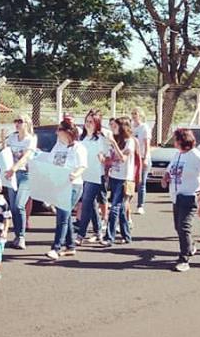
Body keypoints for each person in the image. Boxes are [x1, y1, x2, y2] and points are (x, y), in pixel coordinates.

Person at [162, 128, 200, 272]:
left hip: (189, 195)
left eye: (175, 139)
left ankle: (184, 259)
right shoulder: (178, 154)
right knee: (178, 227)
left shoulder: (196, 155)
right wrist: (166, 177)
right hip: (176, 196)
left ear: (182, 140)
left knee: (184, 227)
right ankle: (190, 247)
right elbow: (170, 169)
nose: (174, 142)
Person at [46, 119, 87, 260]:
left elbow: (82, 166)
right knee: (66, 215)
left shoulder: (78, 148)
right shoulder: (58, 146)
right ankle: (70, 246)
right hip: (59, 184)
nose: (57, 132)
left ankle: (56, 247)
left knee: (62, 216)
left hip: (73, 185)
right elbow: (49, 160)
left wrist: (75, 174)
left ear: (67, 132)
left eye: (59, 130)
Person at [4, 114, 37, 250]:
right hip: (12, 174)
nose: (17, 124)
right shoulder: (12, 137)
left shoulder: (31, 139)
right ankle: (17, 235)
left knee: (19, 205)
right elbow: (6, 153)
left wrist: (14, 168)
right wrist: (2, 138)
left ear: (27, 124)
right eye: (15, 121)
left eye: (20, 121)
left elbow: (26, 157)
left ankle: (22, 236)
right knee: (12, 207)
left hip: (25, 174)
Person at [75, 110, 108, 244]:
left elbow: (105, 156)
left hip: (95, 176)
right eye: (87, 121)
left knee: (87, 204)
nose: (88, 124)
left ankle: (80, 235)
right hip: (83, 175)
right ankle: (98, 231)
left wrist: (102, 158)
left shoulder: (100, 138)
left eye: (91, 122)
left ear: (97, 124)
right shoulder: (82, 138)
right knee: (92, 204)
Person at [101, 117, 134, 246]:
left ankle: (110, 237)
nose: (113, 129)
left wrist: (114, 143)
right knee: (120, 209)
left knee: (114, 207)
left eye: (115, 126)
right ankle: (127, 236)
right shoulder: (117, 140)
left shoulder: (129, 141)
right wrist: (103, 160)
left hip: (124, 178)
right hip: (114, 176)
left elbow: (123, 158)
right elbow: (110, 159)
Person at [131, 107, 152, 216]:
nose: (134, 116)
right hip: (132, 158)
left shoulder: (144, 128)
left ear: (140, 115)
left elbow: (147, 144)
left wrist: (146, 158)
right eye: (132, 113)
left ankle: (140, 205)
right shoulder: (130, 127)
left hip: (142, 157)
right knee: (130, 182)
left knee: (141, 183)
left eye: (136, 113)